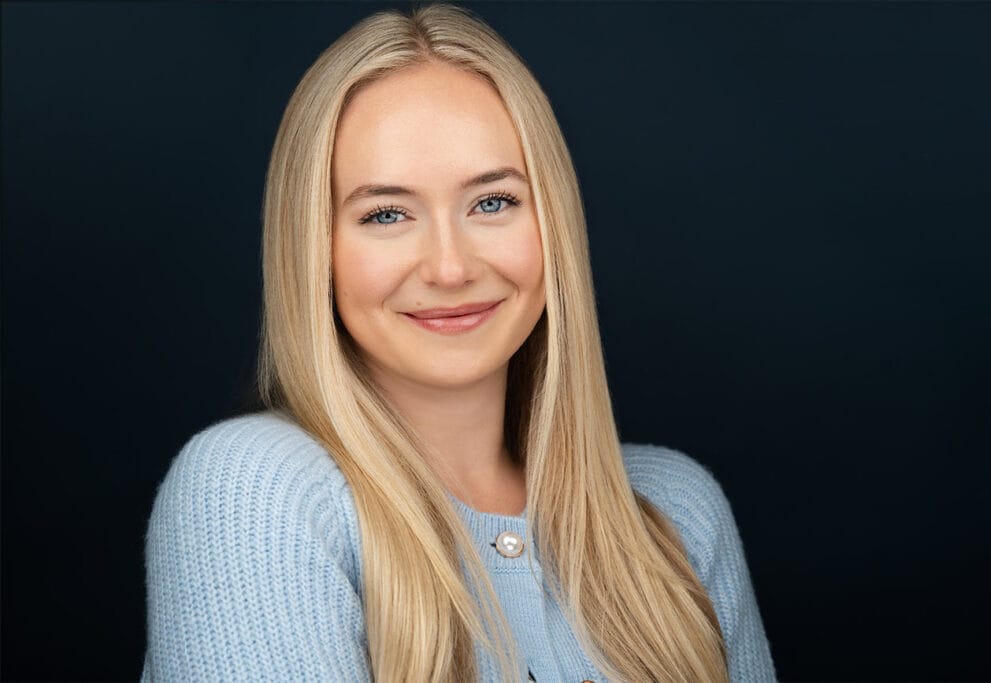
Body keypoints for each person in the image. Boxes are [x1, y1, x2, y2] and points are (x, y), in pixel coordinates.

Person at [140, 4, 776, 681]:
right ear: (314, 249)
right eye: (386, 213)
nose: (450, 266)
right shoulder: (256, 491)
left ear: (553, 223)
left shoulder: (675, 515)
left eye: (493, 202)